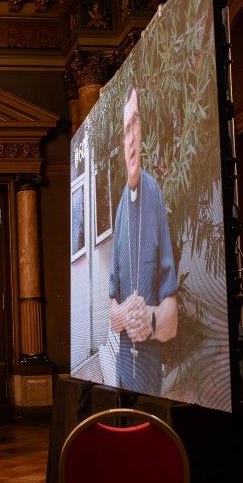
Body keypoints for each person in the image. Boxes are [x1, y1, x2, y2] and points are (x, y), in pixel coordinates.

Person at [108, 86, 178, 395]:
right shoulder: (122, 205)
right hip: (124, 371)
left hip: (150, 377)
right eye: (126, 130)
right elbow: (112, 309)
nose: (132, 136)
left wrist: (147, 318)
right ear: (122, 143)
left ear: (143, 130)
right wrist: (124, 312)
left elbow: (171, 318)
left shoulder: (154, 194)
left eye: (135, 124)